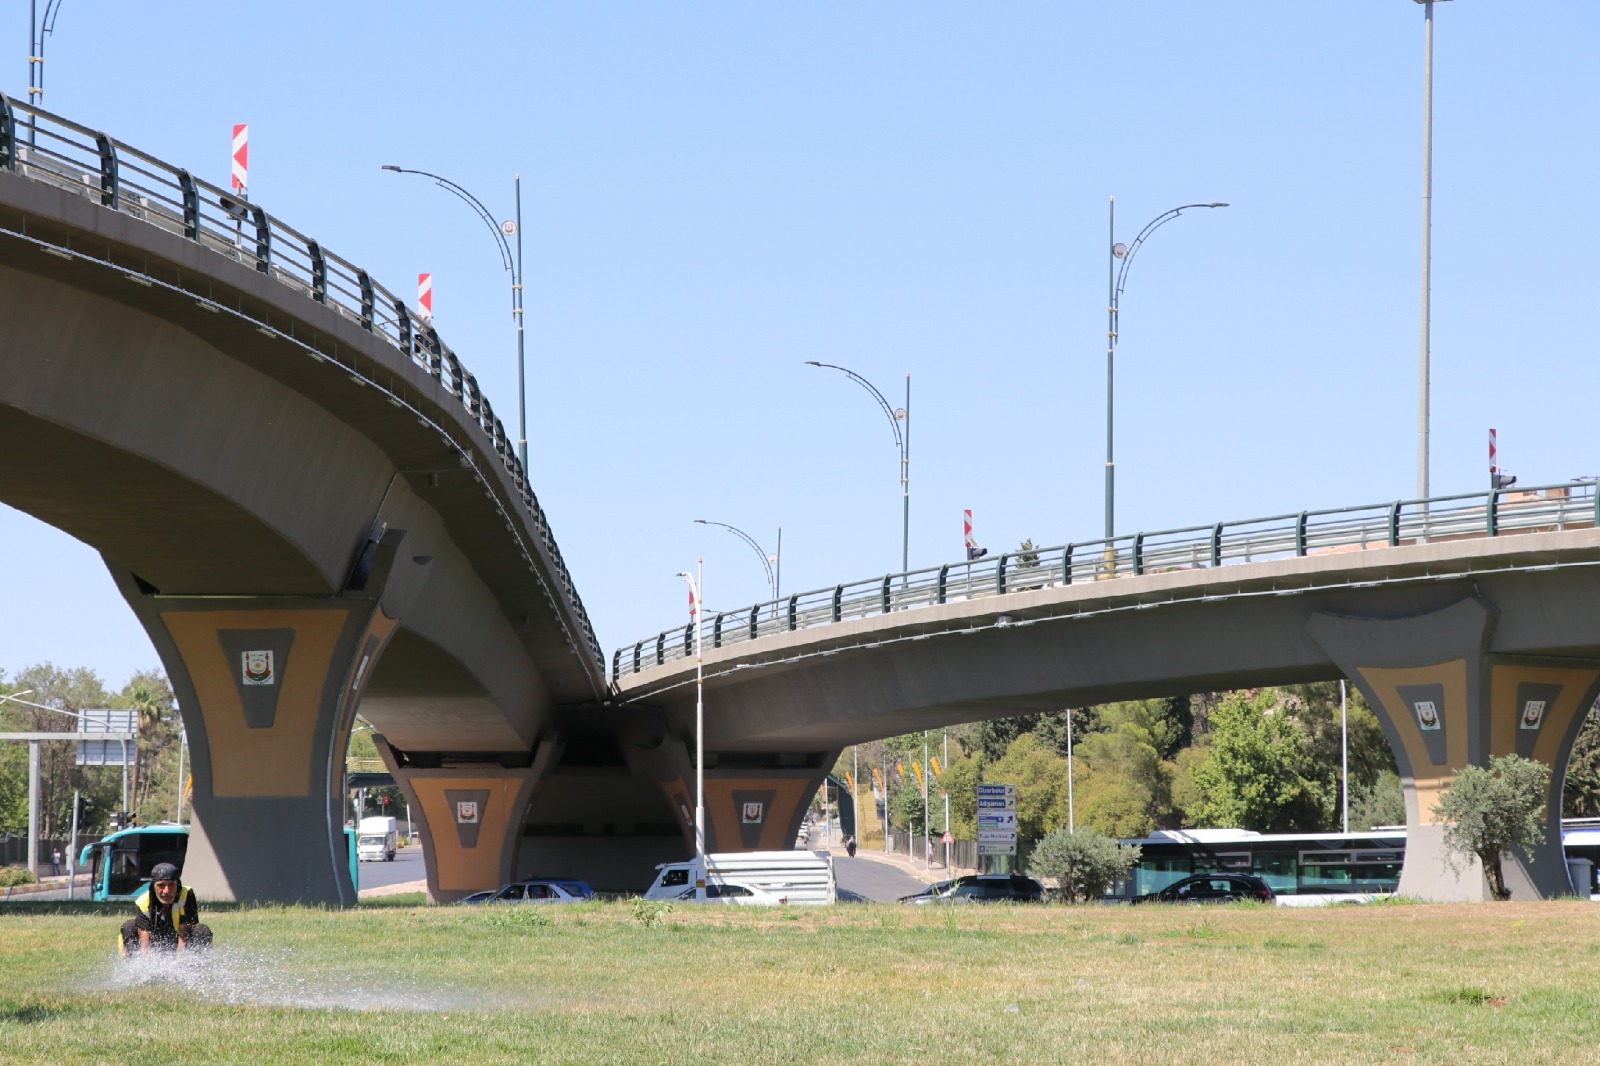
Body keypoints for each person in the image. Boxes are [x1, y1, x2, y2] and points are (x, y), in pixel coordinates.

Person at [119, 863, 212, 956]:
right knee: (129, 926)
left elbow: (184, 934)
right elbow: (145, 944)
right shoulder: (143, 902)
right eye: (161, 885)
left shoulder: (186, 894)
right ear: (153, 886)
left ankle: (196, 967)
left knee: (201, 930)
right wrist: (147, 966)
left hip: (179, 941)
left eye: (171, 884)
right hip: (155, 942)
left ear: (177, 884)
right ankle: (134, 966)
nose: (166, 891)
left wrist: (180, 964)